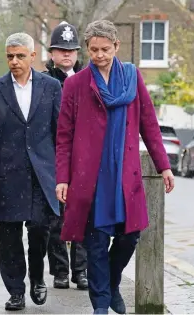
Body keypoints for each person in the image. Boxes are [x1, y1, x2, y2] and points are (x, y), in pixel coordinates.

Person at [55, 20, 175, 314]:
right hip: (91, 177)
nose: (99, 55)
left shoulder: (132, 78)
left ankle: (112, 281)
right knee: (94, 243)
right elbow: (64, 136)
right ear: (87, 49)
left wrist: (164, 166)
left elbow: (149, 125)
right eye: (94, 49)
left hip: (126, 176)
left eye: (105, 49)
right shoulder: (75, 84)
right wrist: (62, 179)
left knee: (129, 236)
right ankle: (100, 305)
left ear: (116, 47)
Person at [0, 32, 62, 311]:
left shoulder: (51, 88)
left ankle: (37, 277)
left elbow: (60, 133)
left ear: (33, 56)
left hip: (42, 175)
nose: (14, 61)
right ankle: (15, 290)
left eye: (20, 56)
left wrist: (64, 175)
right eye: (10, 56)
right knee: (10, 236)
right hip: (7, 175)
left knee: (39, 229)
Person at [43, 21, 88, 291]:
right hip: (51, 158)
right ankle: (60, 270)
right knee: (55, 219)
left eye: (71, 50)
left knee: (81, 215)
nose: (66, 54)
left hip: (82, 158)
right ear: (52, 53)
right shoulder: (43, 81)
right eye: (61, 50)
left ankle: (80, 271)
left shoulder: (87, 79)